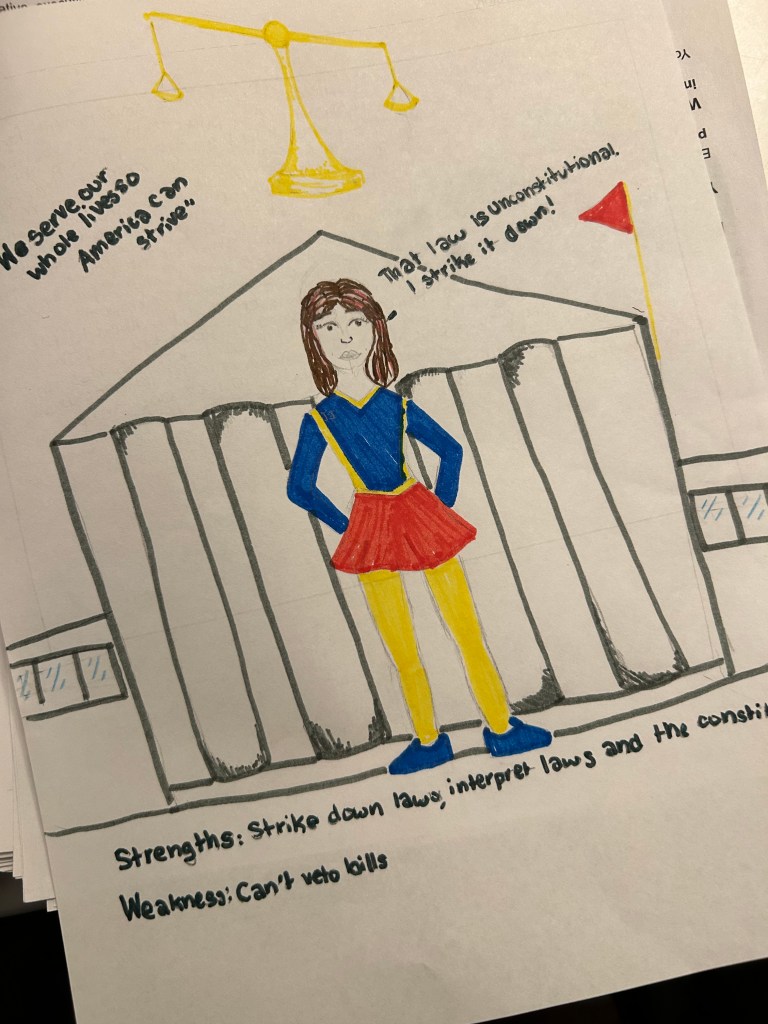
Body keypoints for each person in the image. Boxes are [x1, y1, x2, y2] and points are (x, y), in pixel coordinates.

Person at [287, 278, 551, 774]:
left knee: (451, 636)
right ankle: (484, 731)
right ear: (313, 339)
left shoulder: (390, 404)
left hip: (393, 518)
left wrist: (425, 514)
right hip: (388, 518)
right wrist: (362, 524)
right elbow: (299, 487)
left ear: (375, 329)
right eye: (329, 327)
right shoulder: (324, 418)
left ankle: (461, 735)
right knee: (422, 643)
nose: (345, 337)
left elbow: (450, 450)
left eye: (356, 323)